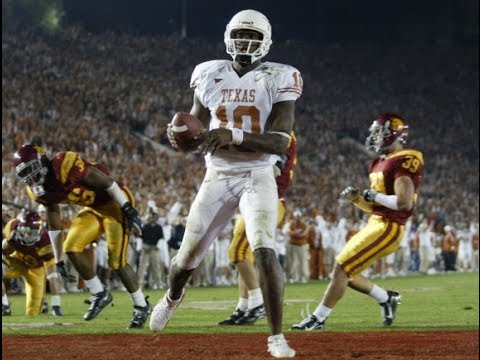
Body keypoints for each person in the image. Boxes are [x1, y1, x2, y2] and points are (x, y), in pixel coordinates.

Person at [149, 9, 302, 358]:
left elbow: (279, 141)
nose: (245, 43)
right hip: (217, 175)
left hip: (258, 173)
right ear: (228, 38)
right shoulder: (208, 72)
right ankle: (173, 298)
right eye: (239, 36)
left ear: (266, 42)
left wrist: (231, 134)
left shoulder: (279, 76)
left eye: (252, 37)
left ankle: (276, 337)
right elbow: (198, 124)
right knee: (186, 257)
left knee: (264, 249)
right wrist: (182, 136)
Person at [291, 113, 423, 330]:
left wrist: (375, 197)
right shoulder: (378, 163)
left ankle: (319, 318)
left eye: (380, 133)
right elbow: (375, 206)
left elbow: (404, 203)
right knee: (344, 270)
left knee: (342, 268)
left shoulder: (405, 159)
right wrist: (357, 200)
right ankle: (385, 298)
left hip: (390, 227)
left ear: (394, 135)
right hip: (376, 221)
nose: (375, 137)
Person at [12, 144, 150, 329]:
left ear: (41, 161)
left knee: (116, 263)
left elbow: (108, 183)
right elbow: (54, 222)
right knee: (71, 247)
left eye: (31, 169)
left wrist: (128, 209)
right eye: (25, 173)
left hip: (115, 204)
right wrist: (58, 259)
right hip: (93, 209)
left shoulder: (64, 164)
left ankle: (141, 305)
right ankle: (99, 293)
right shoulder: (38, 191)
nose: (30, 176)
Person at [217, 131, 297, 326]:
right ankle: (243, 307)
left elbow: (278, 163)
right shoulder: (269, 130)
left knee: (236, 252)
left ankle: (256, 303)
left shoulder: (280, 135)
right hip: (256, 200)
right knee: (244, 257)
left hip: (267, 200)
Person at [2, 211, 64, 316]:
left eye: (31, 232)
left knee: (32, 313)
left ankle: (43, 304)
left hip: (36, 270)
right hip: (17, 262)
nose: (26, 235)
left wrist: (56, 305)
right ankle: (4, 306)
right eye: (24, 231)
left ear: (39, 231)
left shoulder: (47, 241)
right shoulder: (13, 227)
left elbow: (52, 276)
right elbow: (3, 251)